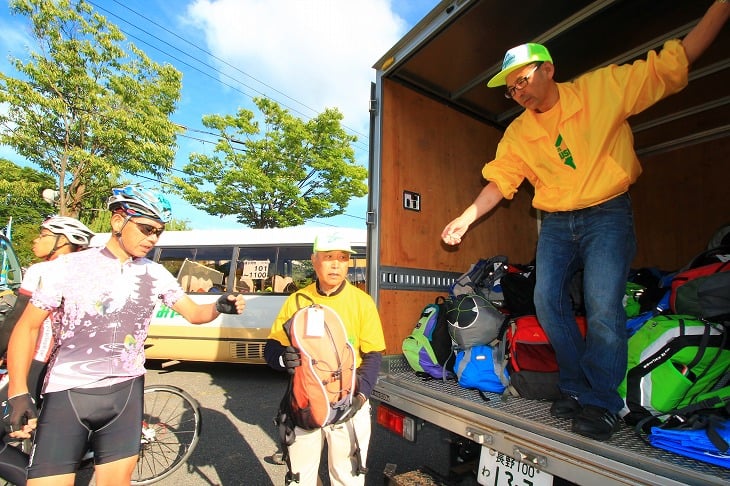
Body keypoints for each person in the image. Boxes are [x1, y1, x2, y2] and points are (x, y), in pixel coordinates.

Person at [441, 1, 729, 441]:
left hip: (607, 213)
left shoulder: (601, 90)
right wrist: (465, 217)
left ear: (548, 70)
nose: (519, 92)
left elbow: (674, 62)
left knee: (602, 307)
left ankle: (602, 402)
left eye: (523, 80)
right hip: (557, 222)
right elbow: (499, 182)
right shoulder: (517, 133)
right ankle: (575, 387)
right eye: (511, 89)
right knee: (548, 302)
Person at [3, 185, 247, 485]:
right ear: (118, 221)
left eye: (159, 231)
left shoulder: (155, 273)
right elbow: (27, 327)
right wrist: (17, 391)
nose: (153, 238)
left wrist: (219, 306)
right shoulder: (66, 268)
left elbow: (194, 314)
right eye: (146, 229)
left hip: (125, 392)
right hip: (69, 392)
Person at [264, 231, 385, 485]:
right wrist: (284, 360)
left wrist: (361, 395)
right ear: (314, 261)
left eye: (342, 258)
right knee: (300, 477)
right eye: (328, 257)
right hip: (305, 402)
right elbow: (272, 348)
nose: (335, 264)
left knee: (347, 477)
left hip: (348, 400)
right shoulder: (298, 300)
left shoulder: (362, 302)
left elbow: (373, 355)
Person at [0, 216, 95, 486]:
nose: (35, 239)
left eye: (43, 234)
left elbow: (15, 321)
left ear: (63, 241)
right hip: (67, 365)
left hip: (36, 362)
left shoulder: (43, 270)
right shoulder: (88, 273)